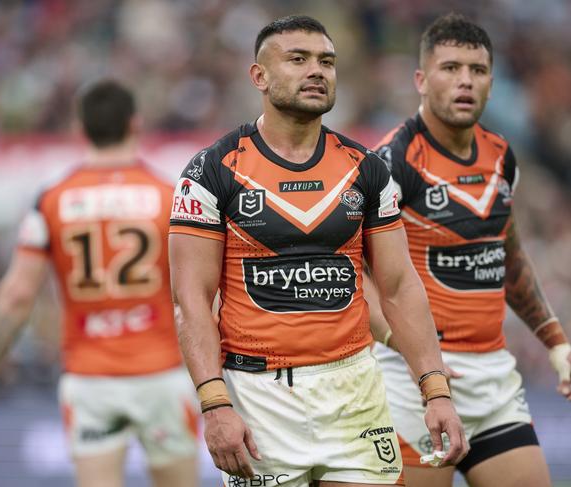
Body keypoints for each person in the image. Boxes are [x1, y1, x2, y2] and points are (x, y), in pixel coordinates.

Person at [168, 15, 468, 487]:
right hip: (259, 397)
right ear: (259, 77)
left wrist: (434, 388)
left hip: (355, 392)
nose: (317, 70)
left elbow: (397, 285)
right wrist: (214, 404)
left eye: (326, 61)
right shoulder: (212, 170)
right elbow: (191, 301)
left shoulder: (365, 169)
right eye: (298, 59)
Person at [0, 79, 199, 487]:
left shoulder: (51, 200)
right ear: (135, 124)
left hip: (90, 379)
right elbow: (200, 290)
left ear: (81, 128)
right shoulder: (170, 196)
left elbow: (18, 294)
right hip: (162, 372)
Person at [368, 12, 571, 487]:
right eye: (451, 68)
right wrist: (417, 360)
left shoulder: (501, 154)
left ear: (492, 82)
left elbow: (508, 255)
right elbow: (355, 271)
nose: (465, 81)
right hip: (410, 382)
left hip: (492, 377)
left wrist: (555, 340)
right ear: (421, 79)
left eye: (477, 71)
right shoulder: (391, 162)